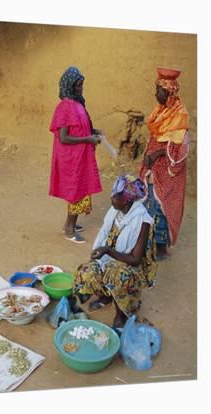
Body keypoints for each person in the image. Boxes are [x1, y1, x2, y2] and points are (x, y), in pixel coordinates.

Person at [72, 175, 157, 328]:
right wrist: (101, 252)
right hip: (110, 257)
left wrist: (107, 251)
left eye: (115, 196)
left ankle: (122, 314)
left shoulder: (142, 221)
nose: (111, 197)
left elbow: (135, 259)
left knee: (115, 275)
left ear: (126, 199)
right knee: (87, 270)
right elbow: (105, 235)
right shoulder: (114, 211)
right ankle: (105, 296)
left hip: (131, 267)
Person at [49, 66, 104, 243]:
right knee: (76, 190)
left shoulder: (77, 103)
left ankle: (68, 224)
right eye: (78, 85)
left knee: (79, 188)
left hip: (80, 156)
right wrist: (88, 139)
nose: (81, 88)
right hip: (72, 158)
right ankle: (70, 230)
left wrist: (93, 131)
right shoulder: (65, 107)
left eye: (82, 85)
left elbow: (79, 128)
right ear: (70, 86)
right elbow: (64, 137)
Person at [140, 67, 190, 261]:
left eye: (159, 90)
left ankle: (161, 247)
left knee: (163, 208)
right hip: (154, 167)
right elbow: (155, 137)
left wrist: (159, 153)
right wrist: (149, 155)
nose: (155, 94)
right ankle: (149, 243)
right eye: (155, 89)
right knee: (149, 203)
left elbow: (181, 148)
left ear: (169, 92)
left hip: (169, 171)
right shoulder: (160, 111)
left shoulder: (179, 115)